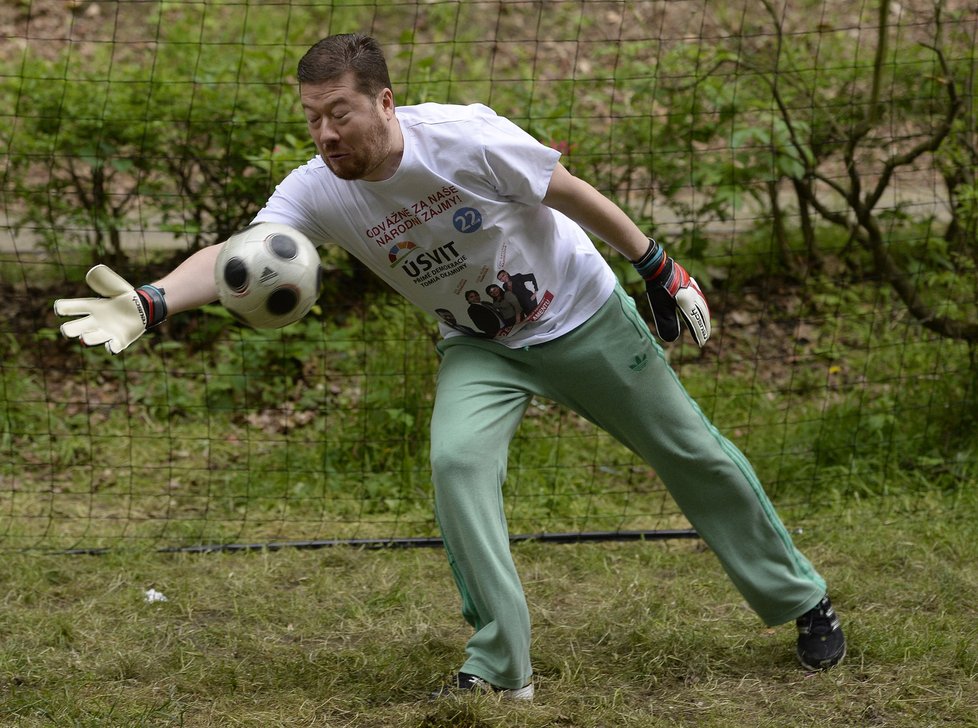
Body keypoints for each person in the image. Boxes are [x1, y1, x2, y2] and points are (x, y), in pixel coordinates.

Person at [53, 33, 846, 700]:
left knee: (693, 454)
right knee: (456, 462)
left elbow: (567, 192)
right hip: (480, 347)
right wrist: (152, 302)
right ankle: (502, 669)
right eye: (311, 118)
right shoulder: (318, 190)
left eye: (340, 113)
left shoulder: (464, 136)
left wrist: (656, 265)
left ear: (385, 103)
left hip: (581, 313)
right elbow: (241, 258)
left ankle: (804, 600)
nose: (325, 134)